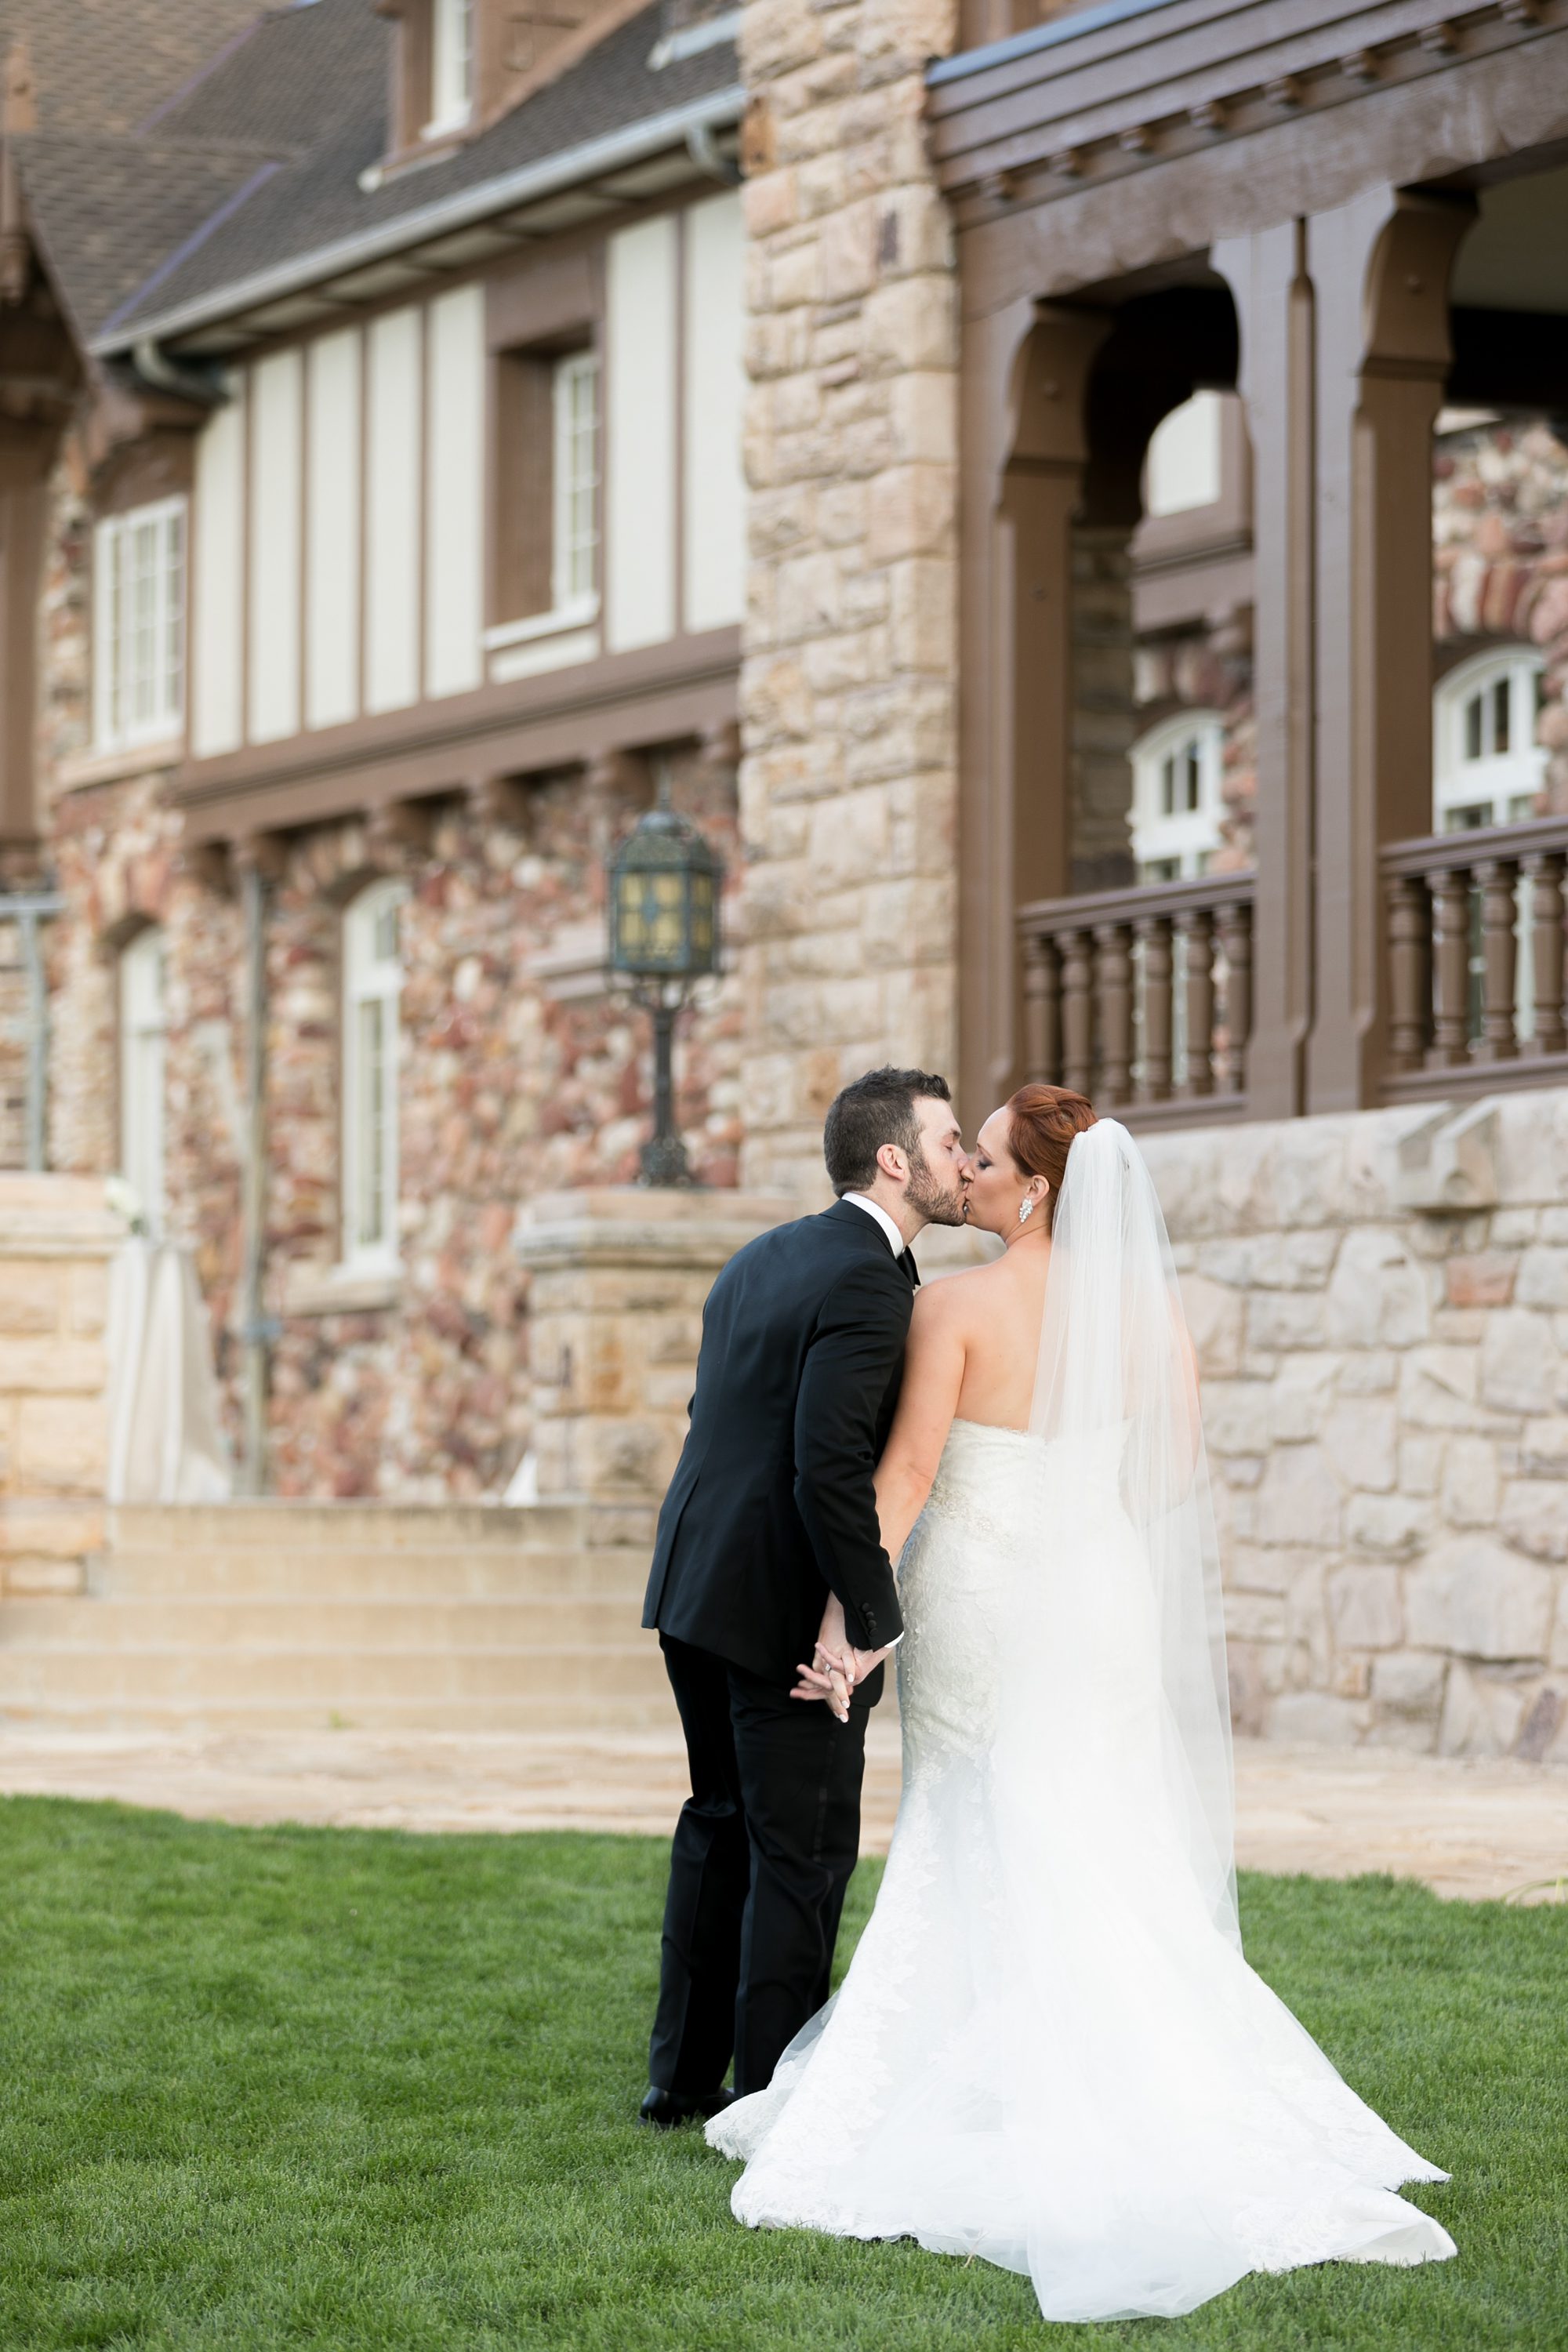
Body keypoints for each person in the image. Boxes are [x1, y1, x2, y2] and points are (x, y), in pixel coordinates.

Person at [707, 1084, 1457, 2322]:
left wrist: (851, 1629)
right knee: (1098, 1824)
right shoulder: (1147, 1315)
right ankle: (1148, 2073)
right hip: (1101, 1591)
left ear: (1037, 1190)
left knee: (976, 1814)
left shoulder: (952, 1307)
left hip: (981, 1593)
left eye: (989, 1159)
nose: (971, 1172)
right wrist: (1083, 1524)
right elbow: (1172, 1470)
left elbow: (906, 1476)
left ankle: (992, 2083)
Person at [637, 1066, 971, 2129]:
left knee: (719, 1822)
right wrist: (869, 1621)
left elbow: (719, 1420)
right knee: (803, 1851)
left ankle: (681, 2079)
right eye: (950, 1141)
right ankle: (768, 2099)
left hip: (693, 1582)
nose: (965, 1159)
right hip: (781, 1607)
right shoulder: (869, 1281)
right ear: (894, 1160)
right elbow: (826, 1469)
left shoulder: (762, 1256)